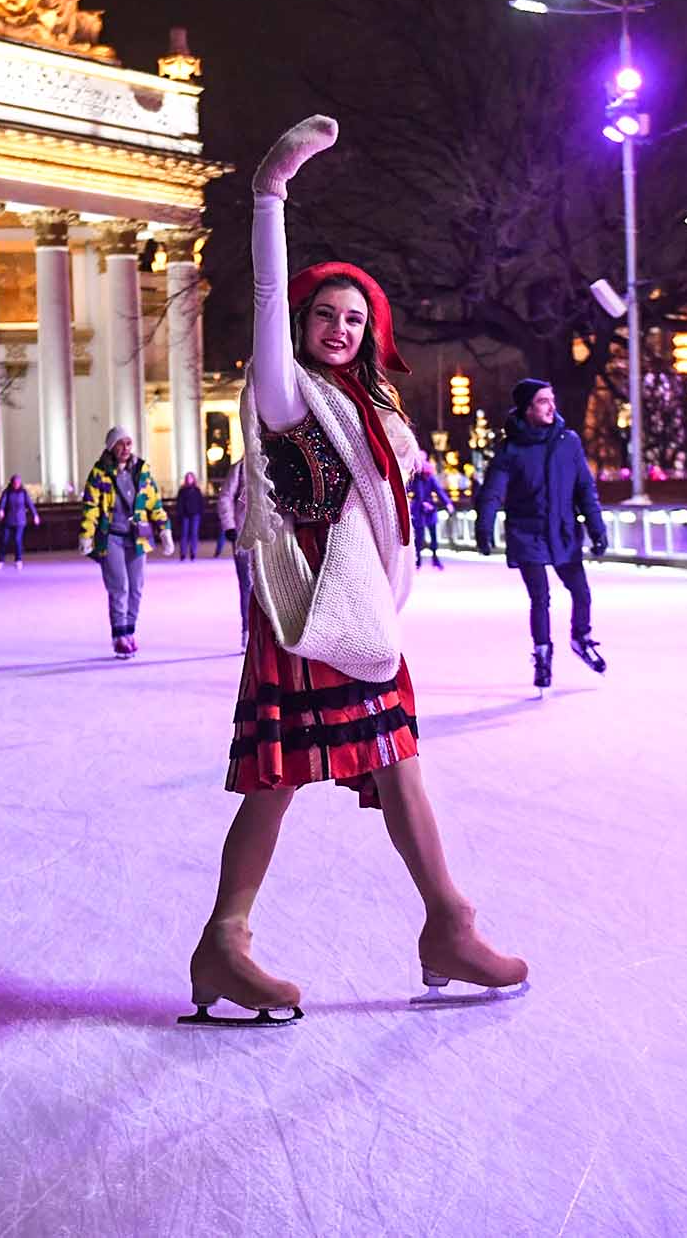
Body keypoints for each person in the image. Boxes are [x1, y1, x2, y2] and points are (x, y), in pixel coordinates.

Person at [188, 114, 527, 1028]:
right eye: (323, 314)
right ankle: (232, 939)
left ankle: (442, 922)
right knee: (284, 774)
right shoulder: (284, 391)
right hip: (307, 609)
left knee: (391, 760)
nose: (338, 327)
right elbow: (265, 288)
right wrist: (270, 191)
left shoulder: (372, 407)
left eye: (354, 317)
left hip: (362, 609)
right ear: (297, 323)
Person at [474, 378, 608, 694]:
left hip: (562, 530)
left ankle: (580, 638)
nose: (551, 407)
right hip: (527, 533)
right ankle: (543, 655)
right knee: (540, 598)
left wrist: (596, 528)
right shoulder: (511, 449)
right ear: (527, 408)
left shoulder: (568, 442)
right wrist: (485, 527)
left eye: (552, 399)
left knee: (581, 591)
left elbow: (585, 488)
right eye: (542, 401)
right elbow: (493, 492)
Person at [78, 425, 172, 658]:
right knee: (119, 587)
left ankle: (129, 631)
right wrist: (86, 534)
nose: (125, 448)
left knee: (137, 588)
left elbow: (154, 502)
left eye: (128, 443)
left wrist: (164, 529)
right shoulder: (99, 473)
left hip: (137, 536)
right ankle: (119, 636)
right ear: (111, 447)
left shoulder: (142, 470)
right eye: (120, 443)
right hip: (111, 537)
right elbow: (91, 506)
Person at [218, 461, 253, 648]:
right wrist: (229, 525)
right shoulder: (240, 467)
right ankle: (247, 629)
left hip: (271, 537)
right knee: (247, 584)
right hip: (243, 535)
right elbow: (225, 496)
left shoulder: (274, 458)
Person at [406, 457, 454, 569]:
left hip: (430, 510)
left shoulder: (431, 478)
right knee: (419, 537)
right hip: (418, 510)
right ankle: (417, 561)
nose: (427, 476)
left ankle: (435, 559)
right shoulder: (416, 478)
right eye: (426, 474)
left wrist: (448, 503)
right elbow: (409, 490)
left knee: (433, 536)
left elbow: (439, 491)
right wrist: (418, 502)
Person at [0, 474, 40, 571]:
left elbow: (29, 504)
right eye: (15, 483)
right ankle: (0, 560)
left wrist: (35, 515)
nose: (16, 484)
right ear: (12, 483)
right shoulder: (7, 492)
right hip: (8, 520)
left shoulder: (23, 493)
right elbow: (2, 503)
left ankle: (18, 560)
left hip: (20, 521)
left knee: (17, 540)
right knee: (4, 540)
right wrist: (1, 510)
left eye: (18, 483)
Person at [173, 472, 206, 560]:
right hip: (185, 515)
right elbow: (179, 503)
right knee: (184, 534)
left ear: (193, 479)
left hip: (195, 515)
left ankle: (193, 553)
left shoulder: (197, 490)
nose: (189, 479)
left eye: (190, 478)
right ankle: (183, 553)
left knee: (194, 534)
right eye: (187, 478)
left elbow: (201, 502)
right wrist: (180, 513)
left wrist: (200, 512)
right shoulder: (182, 490)